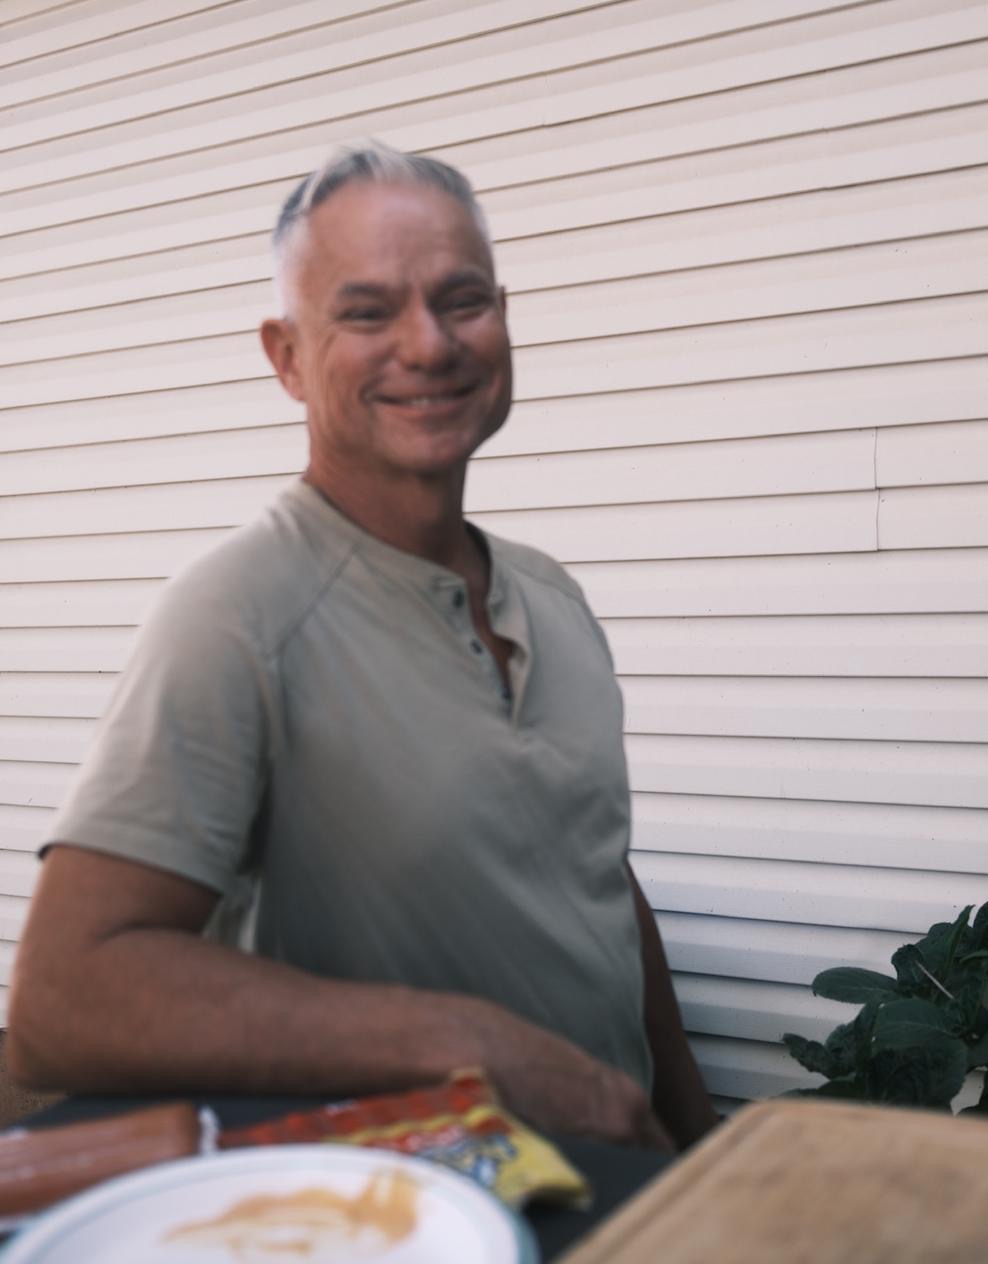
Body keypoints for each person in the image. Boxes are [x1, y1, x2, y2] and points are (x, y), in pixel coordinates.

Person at [8, 144, 718, 1151]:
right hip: (403, 1210)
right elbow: (65, 999)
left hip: (621, 1189)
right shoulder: (238, 615)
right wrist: (472, 1044)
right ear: (287, 356)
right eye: (368, 312)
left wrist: (691, 1129)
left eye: (461, 300)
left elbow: (591, 873)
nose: (428, 344)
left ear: (504, 317)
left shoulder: (553, 598)